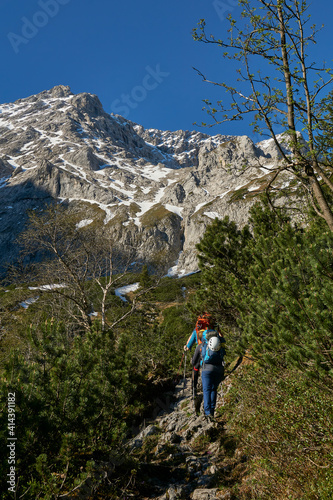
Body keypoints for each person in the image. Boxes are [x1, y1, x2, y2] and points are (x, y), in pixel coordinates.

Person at [199, 333, 226, 420]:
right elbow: (224, 353)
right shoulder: (220, 344)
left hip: (207, 370)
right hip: (219, 369)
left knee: (207, 390)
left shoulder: (205, 345)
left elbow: (202, 356)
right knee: (214, 389)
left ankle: (207, 413)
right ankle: (212, 411)